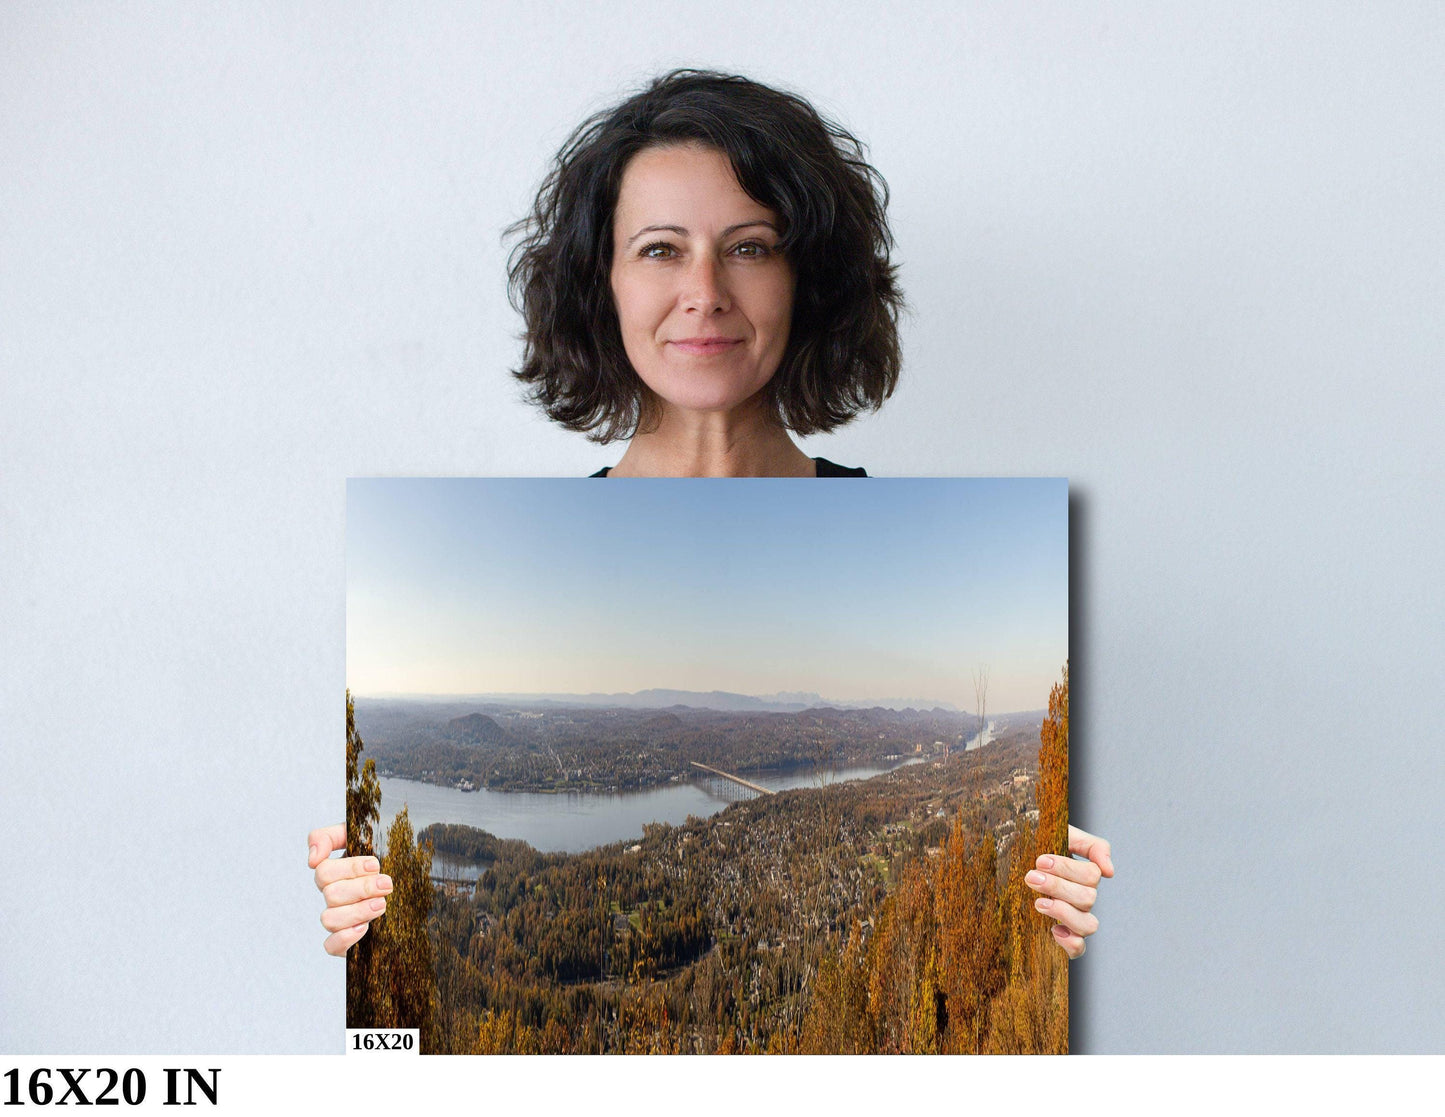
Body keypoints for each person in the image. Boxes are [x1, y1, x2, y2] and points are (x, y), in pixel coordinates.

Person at [310, 69, 1113, 963]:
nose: (705, 291)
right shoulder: (515, 536)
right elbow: (394, 1012)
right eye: (660, 249)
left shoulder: (942, 541)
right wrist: (370, 931)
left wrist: (1037, 919)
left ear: (806, 280)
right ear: (603, 284)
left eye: (750, 247)